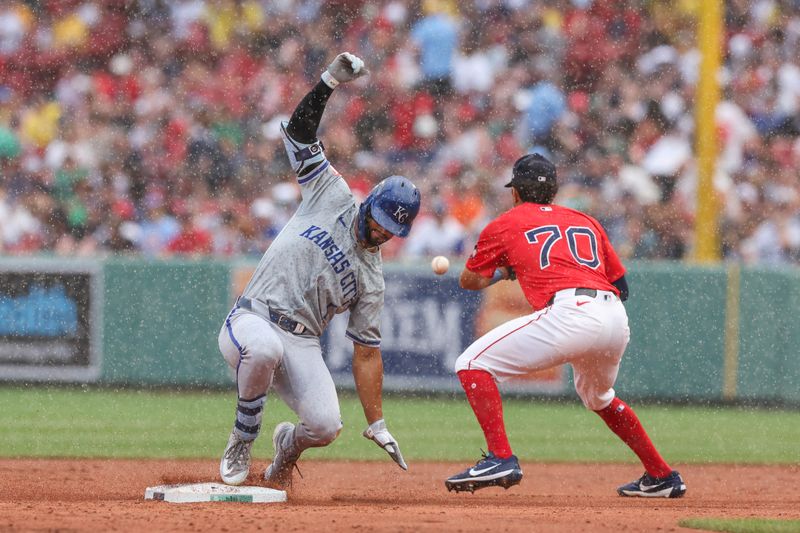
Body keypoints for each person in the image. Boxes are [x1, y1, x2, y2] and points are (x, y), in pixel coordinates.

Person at [217, 52, 420, 488]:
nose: (381, 233)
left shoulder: (372, 278)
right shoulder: (332, 194)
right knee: (265, 350)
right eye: (378, 221)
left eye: (391, 231)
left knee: (326, 426)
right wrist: (328, 82)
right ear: (369, 205)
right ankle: (241, 438)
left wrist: (378, 421)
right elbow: (299, 133)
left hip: (302, 341)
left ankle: (285, 449)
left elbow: (366, 353)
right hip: (253, 318)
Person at [444, 153, 686, 498]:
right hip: (614, 315)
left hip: (571, 312)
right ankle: (662, 476)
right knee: (599, 397)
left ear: (515, 192)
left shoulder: (506, 223)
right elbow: (622, 285)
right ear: (553, 192)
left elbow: (470, 280)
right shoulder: (585, 220)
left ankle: (500, 457)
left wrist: (507, 271)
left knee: (471, 364)